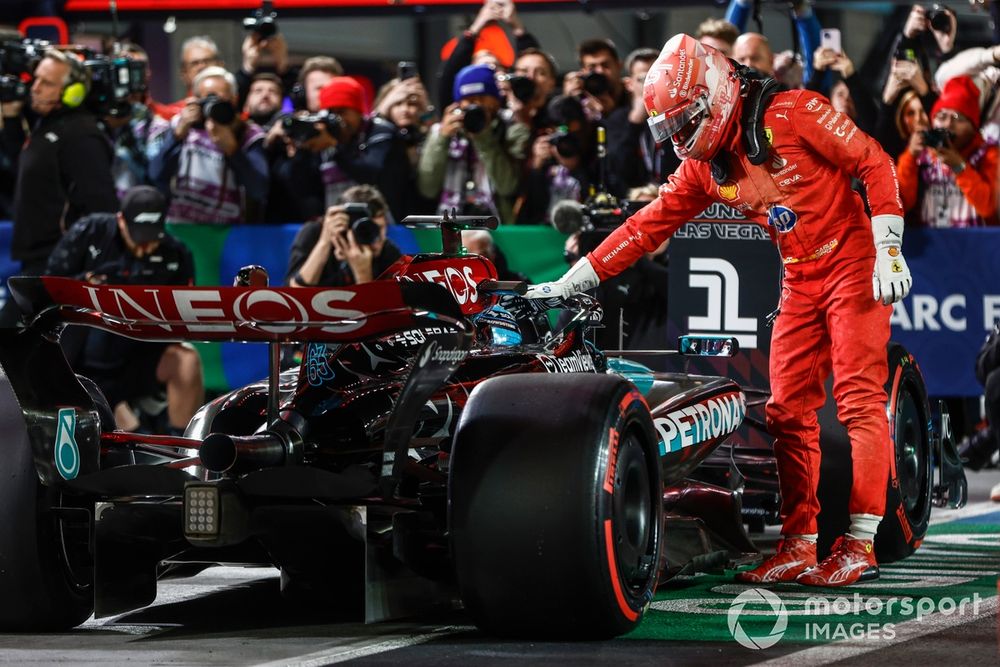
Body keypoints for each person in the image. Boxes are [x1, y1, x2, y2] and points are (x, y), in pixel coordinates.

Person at [527, 34, 913, 587]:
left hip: (857, 264)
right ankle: (798, 544)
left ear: (714, 92)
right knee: (785, 412)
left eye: (687, 121)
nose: (681, 137)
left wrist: (890, 248)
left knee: (856, 401)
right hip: (801, 277)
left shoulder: (799, 111)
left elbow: (876, 162)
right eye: (672, 127)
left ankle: (859, 544)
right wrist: (573, 280)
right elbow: (644, 227)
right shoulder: (703, 168)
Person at [45, 186, 203, 435]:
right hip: (83, 363)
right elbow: (48, 288)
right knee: (132, 442)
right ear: (121, 221)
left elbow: (186, 318)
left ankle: (184, 448)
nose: (145, 248)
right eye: (138, 238)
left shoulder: (177, 254)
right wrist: (87, 284)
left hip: (137, 359)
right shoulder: (90, 232)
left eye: (153, 239)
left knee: (187, 360)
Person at [6, 48, 117, 285]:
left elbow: (102, 207)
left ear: (72, 93)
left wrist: (87, 265)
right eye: (36, 79)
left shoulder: (82, 136)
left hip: (61, 264)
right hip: (37, 259)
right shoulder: (45, 125)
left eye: (46, 83)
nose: (35, 88)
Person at [149, 66, 268, 224]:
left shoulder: (247, 132)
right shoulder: (179, 125)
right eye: (206, 99)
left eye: (220, 100)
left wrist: (233, 150)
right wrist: (176, 136)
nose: (213, 105)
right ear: (194, 100)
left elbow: (259, 189)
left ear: (234, 99)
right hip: (181, 228)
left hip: (227, 233)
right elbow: (155, 175)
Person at [418, 63, 530, 224]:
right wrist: (441, 139)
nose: (476, 105)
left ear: (497, 101)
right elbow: (427, 189)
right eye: (469, 100)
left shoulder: (513, 129)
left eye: (483, 99)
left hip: (497, 227)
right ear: (458, 104)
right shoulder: (442, 132)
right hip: (450, 225)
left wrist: (483, 137)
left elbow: (507, 186)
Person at [897, 75, 999, 228]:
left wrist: (959, 166)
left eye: (958, 118)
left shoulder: (989, 154)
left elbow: (990, 210)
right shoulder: (922, 154)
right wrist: (910, 157)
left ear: (973, 127)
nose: (948, 124)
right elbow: (900, 205)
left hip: (977, 247)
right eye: (942, 116)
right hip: (932, 246)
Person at [285, 184, 401, 287]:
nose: (377, 238)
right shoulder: (315, 233)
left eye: (380, 228)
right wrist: (324, 243)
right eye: (364, 228)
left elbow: (383, 310)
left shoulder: (387, 251)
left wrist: (362, 272)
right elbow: (295, 293)